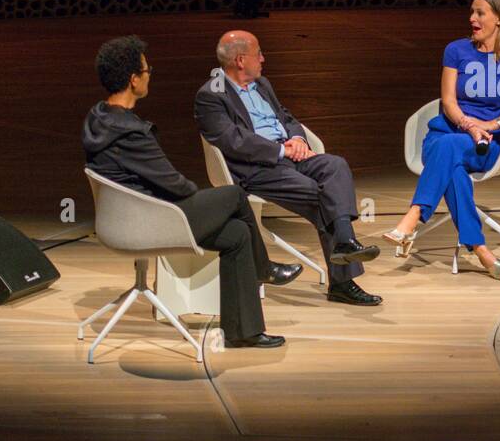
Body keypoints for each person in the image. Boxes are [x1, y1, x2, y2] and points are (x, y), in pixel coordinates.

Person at [83, 35, 301, 348]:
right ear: (133, 80)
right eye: (147, 71)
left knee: (238, 232)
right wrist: (193, 192)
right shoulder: (130, 133)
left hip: (133, 214)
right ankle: (264, 268)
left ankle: (244, 332)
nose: (149, 76)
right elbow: (175, 185)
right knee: (235, 195)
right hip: (151, 220)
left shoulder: (98, 118)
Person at [195, 30, 382, 306]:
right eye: (258, 53)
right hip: (256, 168)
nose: (263, 58)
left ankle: (343, 244)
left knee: (335, 166)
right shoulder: (211, 95)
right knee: (323, 195)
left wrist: (296, 138)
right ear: (240, 60)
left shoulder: (262, 84)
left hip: (291, 154)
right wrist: (281, 149)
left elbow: (286, 117)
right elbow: (234, 141)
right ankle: (343, 279)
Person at [382, 0, 500, 280]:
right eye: (472, 12)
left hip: (485, 145)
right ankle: (479, 248)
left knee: (452, 155)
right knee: (450, 154)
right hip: (446, 134)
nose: (472, 19)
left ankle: (414, 217)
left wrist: (494, 125)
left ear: (499, 20)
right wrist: (470, 125)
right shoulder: (456, 50)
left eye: (480, 13)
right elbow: (448, 102)